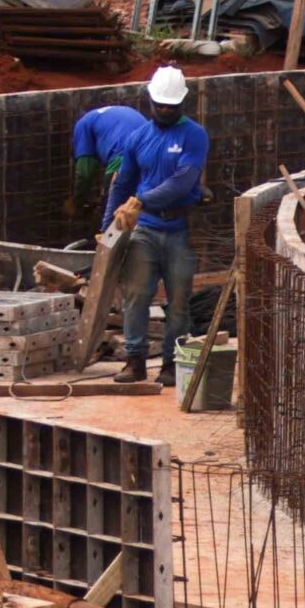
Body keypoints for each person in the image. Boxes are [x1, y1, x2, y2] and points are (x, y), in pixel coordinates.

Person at [104, 66, 209, 385]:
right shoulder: (138, 138)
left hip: (179, 229)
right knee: (136, 295)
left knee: (179, 300)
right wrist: (107, 227)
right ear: (150, 100)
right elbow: (122, 185)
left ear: (182, 104)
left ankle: (171, 364)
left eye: (170, 106)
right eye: (159, 105)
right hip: (144, 231)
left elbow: (182, 182)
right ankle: (134, 360)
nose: (164, 110)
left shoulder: (194, 136)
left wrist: (143, 201)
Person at [70, 101, 149, 223]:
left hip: (122, 154)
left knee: (111, 201)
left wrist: (77, 201)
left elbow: (85, 173)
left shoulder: (82, 126)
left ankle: (108, 236)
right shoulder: (106, 116)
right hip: (151, 146)